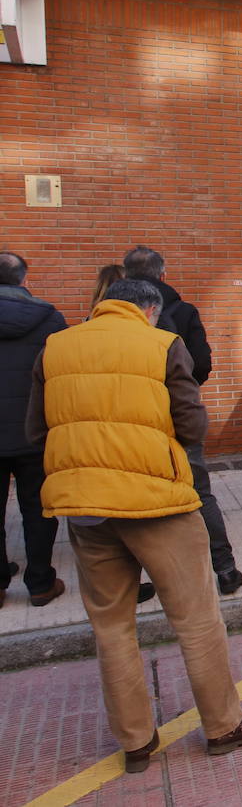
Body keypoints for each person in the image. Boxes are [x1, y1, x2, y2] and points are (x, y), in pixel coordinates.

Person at [25, 278, 242, 773]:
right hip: (157, 503)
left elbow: (37, 430)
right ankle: (224, 725)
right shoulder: (164, 344)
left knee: (112, 626)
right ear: (149, 310)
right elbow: (193, 426)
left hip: (84, 507)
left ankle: (136, 742)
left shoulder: (55, 346)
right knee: (196, 616)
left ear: (102, 307)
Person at [123, 246, 242, 596]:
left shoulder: (108, 313)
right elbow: (202, 364)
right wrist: (182, 390)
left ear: (125, 274)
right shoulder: (184, 311)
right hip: (177, 413)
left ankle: (142, 579)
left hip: (129, 419)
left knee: (133, 496)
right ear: (163, 275)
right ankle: (225, 570)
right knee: (199, 491)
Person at [0, 252, 67, 608]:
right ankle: (40, 582)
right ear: (24, 280)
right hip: (35, 430)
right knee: (39, 507)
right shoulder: (49, 319)